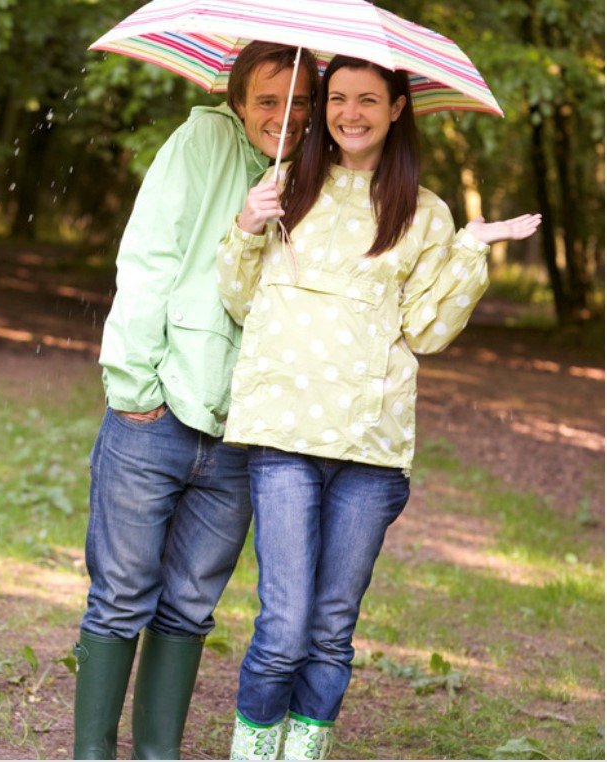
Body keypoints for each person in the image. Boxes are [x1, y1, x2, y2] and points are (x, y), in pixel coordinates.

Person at [217, 55, 541, 760]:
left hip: (370, 450)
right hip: (283, 438)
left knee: (332, 627)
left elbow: (426, 330)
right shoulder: (282, 187)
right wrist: (247, 226)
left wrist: (470, 250)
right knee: (283, 623)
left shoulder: (424, 213)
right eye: (338, 98)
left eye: (369, 99)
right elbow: (242, 303)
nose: (351, 113)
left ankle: (305, 751)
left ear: (398, 108)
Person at [73, 41, 319, 760]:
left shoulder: (315, 174)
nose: (284, 115)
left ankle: (157, 754)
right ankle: (93, 754)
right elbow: (148, 255)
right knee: (121, 596)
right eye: (267, 100)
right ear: (238, 101)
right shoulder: (200, 142)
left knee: (189, 605)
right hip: (159, 409)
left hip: (246, 430)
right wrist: (133, 385)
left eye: (298, 101)